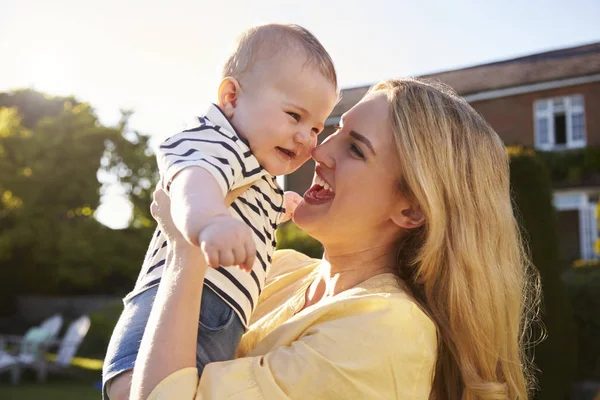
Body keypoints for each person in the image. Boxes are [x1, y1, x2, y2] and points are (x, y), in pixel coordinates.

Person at [131, 78, 540, 399]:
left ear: (412, 209)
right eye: (334, 131)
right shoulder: (277, 267)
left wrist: (185, 250)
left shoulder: (385, 330)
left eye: (356, 150)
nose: (318, 152)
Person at [103, 24, 339, 399]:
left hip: (219, 314)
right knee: (145, 390)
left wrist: (282, 206)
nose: (306, 138)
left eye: (315, 128)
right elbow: (192, 181)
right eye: (294, 116)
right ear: (231, 97)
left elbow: (244, 203)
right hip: (181, 305)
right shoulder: (215, 140)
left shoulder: (254, 164)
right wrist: (209, 221)